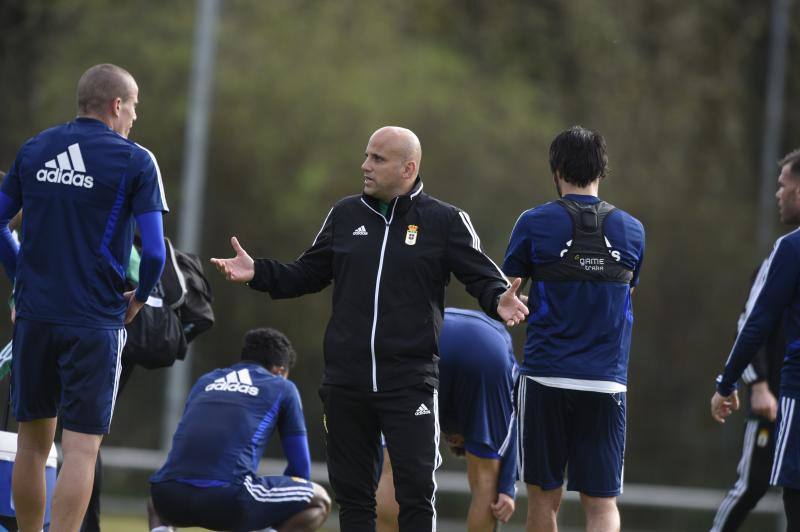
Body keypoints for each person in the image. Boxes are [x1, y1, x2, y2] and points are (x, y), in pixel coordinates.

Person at [211, 125, 528, 531]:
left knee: (415, 495)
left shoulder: (445, 221)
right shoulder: (345, 215)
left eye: (377, 159)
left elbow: (482, 276)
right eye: (366, 156)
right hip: (347, 382)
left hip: (409, 383)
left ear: (408, 168)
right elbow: (306, 273)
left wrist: (498, 298)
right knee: (355, 500)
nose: (365, 166)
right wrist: (259, 272)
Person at [0, 63, 168, 532]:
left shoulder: (35, 148)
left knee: (33, 445)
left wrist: (22, 282)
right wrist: (141, 297)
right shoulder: (136, 160)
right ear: (117, 105)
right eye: (133, 106)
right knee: (80, 448)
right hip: (95, 321)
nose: (135, 116)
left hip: (34, 317)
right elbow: (153, 251)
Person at [502, 126, 645, 532]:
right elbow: (626, 293)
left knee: (544, 502)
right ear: (602, 169)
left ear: (557, 169)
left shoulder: (533, 222)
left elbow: (506, 295)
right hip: (606, 383)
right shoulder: (633, 230)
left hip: (545, 376)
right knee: (602, 505)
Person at [149, 327, 331, 532]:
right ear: (280, 371)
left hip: (167, 497)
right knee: (319, 500)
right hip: (229, 499)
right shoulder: (282, 386)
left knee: (158, 498)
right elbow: (300, 470)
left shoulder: (206, 381)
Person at [711, 148, 800, 531]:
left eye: (784, 185)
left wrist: (726, 383)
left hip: (792, 400)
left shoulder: (790, 249)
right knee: (754, 487)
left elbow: (754, 323)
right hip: (774, 396)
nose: (778, 194)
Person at [375, 307, 518, 531]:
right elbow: (512, 425)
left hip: (424, 336)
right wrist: (506, 488)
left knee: (394, 469)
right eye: (455, 439)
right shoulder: (474, 405)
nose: (450, 438)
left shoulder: (441, 410)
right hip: (485, 350)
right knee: (486, 482)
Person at [710, 266, 784, 532]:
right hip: (773, 401)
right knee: (752, 484)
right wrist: (759, 384)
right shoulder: (783, 254)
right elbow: (749, 324)